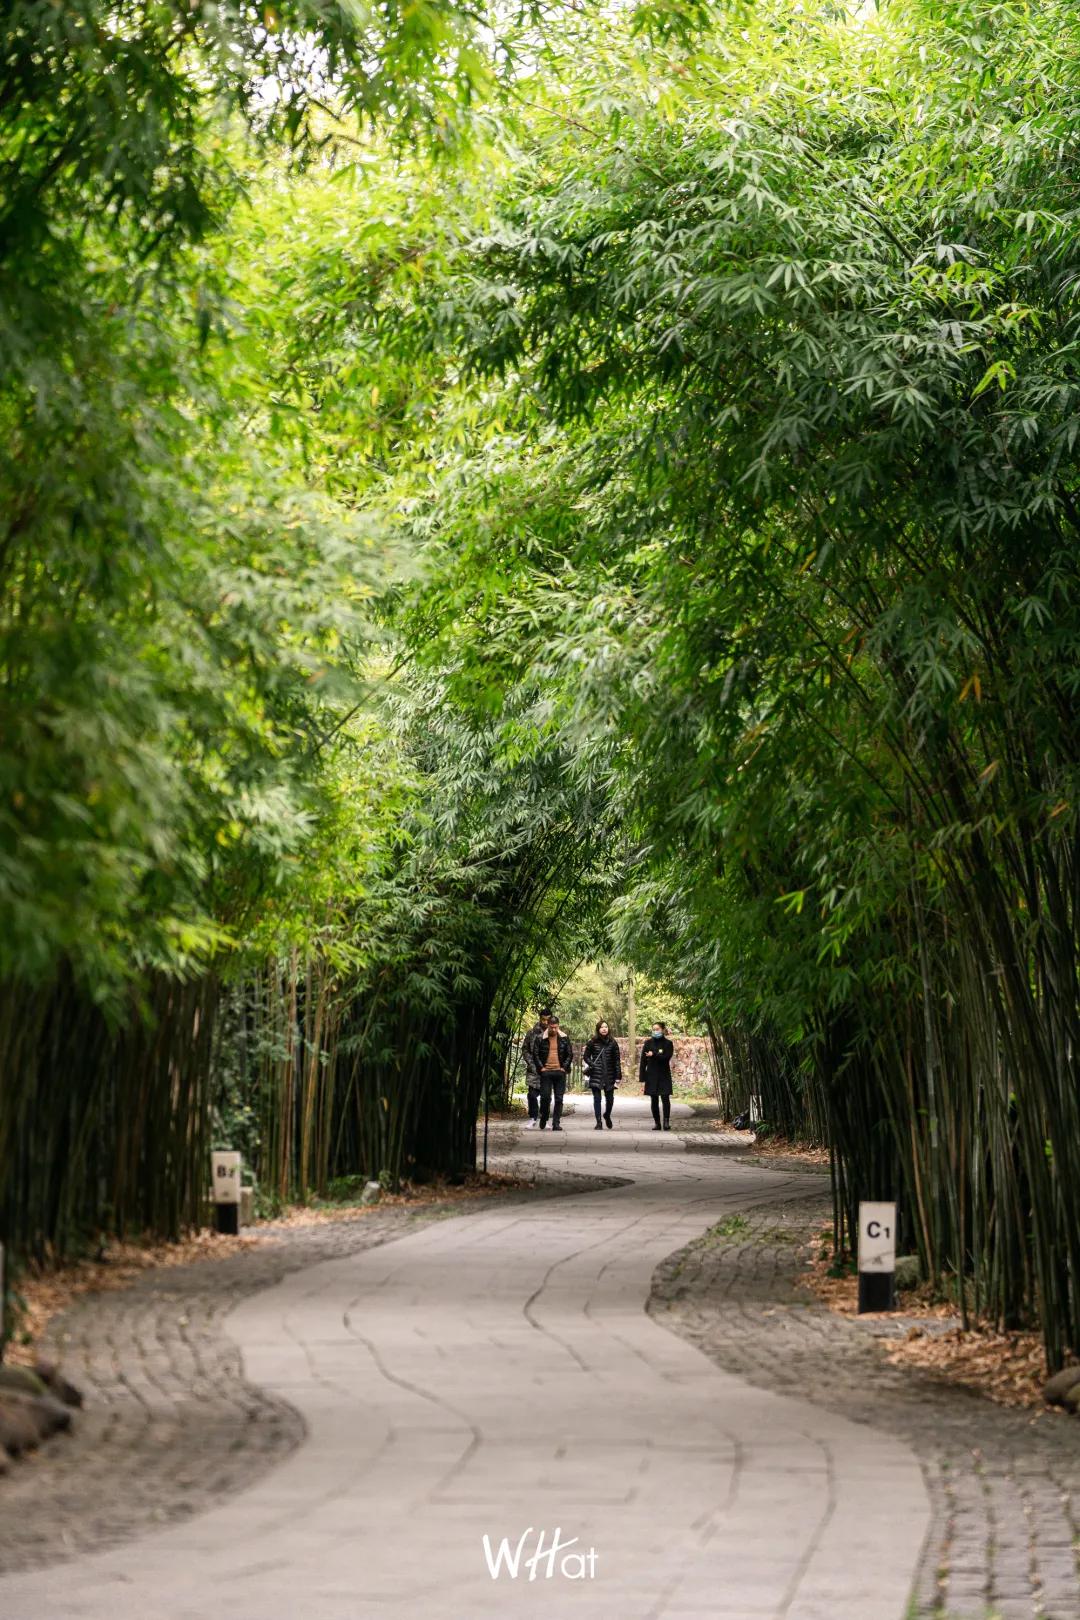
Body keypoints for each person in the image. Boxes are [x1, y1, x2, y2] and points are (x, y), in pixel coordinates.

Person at [529, 1012, 573, 1131]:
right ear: (548, 1025)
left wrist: (564, 1067)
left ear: (558, 1026)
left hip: (559, 1072)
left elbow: (570, 1054)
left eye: (556, 1027)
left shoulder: (564, 1037)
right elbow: (535, 1054)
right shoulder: (540, 1038)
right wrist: (541, 1068)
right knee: (545, 1098)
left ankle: (556, 1123)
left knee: (559, 1098)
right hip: (546, 1072)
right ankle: (544, 1117)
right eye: (551, 1027)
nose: (554, 1029)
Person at [582, 1020, 621, 1130]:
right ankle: (598, 1122)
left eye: (606, 1027)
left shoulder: (613, 1042)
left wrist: (618, 1076)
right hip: (596, 1073)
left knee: (610, 1099)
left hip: (609, 1074)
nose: (604, 1029)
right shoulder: (592, 1042)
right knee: (597, 1099)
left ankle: (607, 1115)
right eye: (602, 1027)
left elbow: (617, 1061)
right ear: (598, 1029)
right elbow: (586, 1057)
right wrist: (591, 1064)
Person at [640, 1020, 675, 1131]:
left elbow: (666, 1057)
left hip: (664, 1074)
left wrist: (654, 1054)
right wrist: (642, 1076)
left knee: (665, 1097)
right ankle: (657, 1123)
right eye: (653, 1029)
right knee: (653, 1099)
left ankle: (666, 1122)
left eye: (657, 1029)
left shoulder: (668, 1044)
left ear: (663, 1030)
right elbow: (643, 1061)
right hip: (652, 1075)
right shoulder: (648, 1043)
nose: (655, 1031)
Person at [521, 1009, 550, 1128]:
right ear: (539, 1018)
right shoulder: (532, 1033)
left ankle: (545, 1119)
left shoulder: (554, 1032)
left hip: (548, 1069)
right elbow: (525, 1049)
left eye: (548, 1020)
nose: (545, 1022)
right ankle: (533, 1117)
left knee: (546, 1096)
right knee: (532, 1095)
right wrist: (531, 1064)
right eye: (543, 1019)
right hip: (534, 1069)